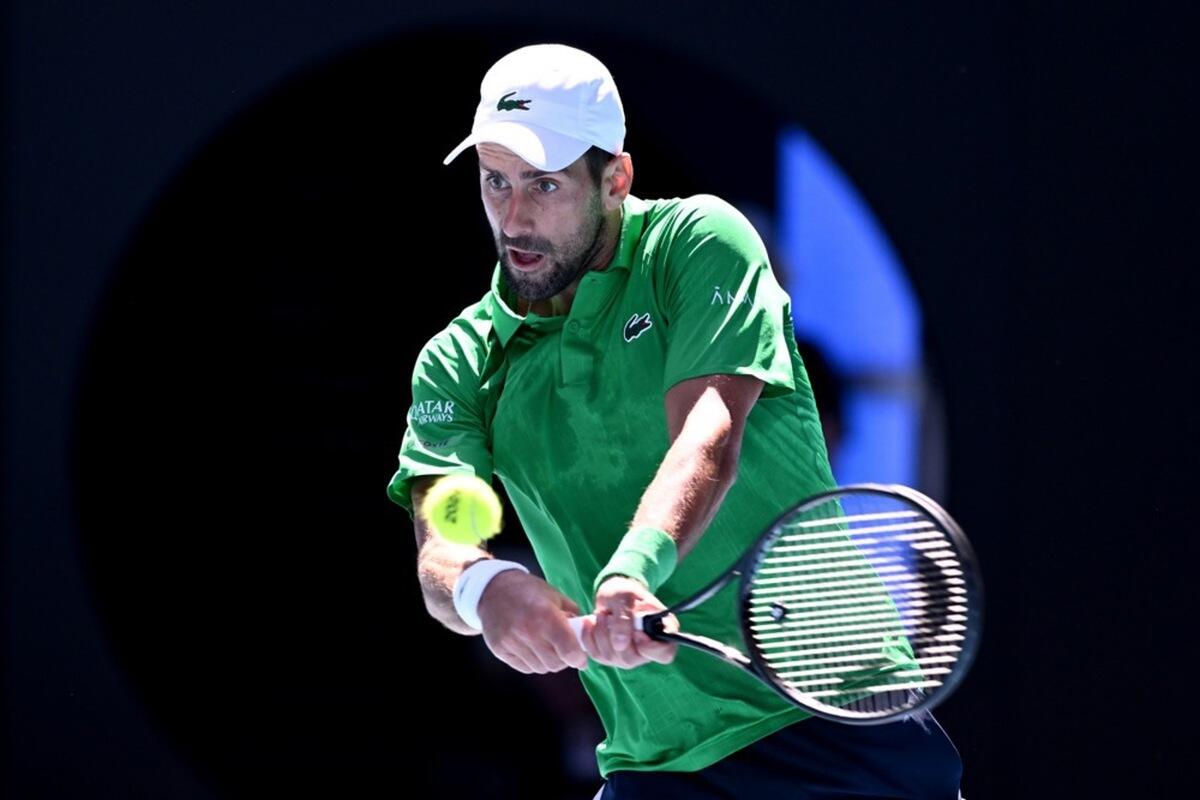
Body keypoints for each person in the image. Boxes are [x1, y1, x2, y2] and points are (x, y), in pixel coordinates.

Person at [388, 43, 963, 799]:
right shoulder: (457, 363)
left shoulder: (698, 243)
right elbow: (444, 541)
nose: (515, 217)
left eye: (545, 183)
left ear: (615, 180)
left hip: (832, 713)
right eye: (496, 180)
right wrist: (482, 588)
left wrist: (632, 570)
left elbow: (707, 437)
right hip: (655, 763)